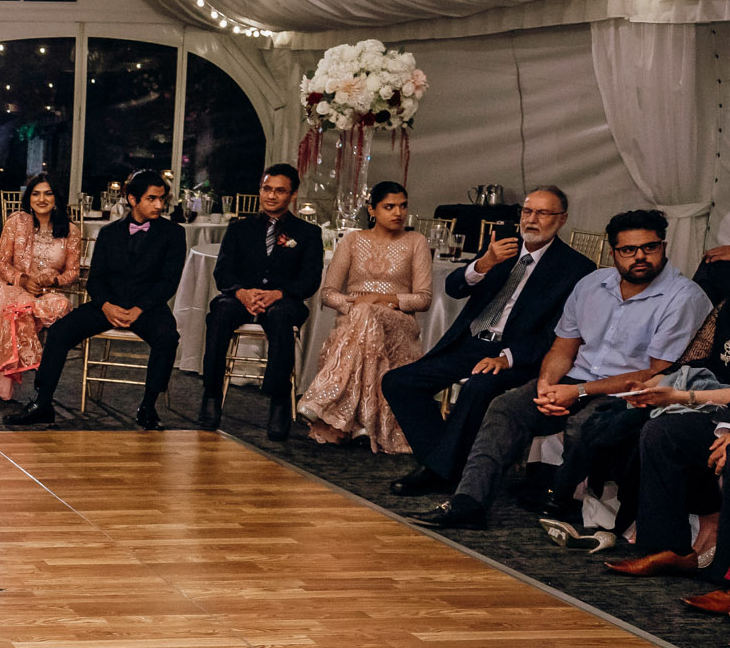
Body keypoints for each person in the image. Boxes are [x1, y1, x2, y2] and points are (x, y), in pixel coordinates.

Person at [407, 210, 712, 530]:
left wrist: (577, 391)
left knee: (584, 423)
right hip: (573, 380)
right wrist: (546, 385)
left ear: (663, 246)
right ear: (613, 252)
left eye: (649, 248)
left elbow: (655, 373)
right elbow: (562, 348)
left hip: (630, 392)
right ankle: (468, 501)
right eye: (628, 250)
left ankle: (560, 499)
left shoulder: (683, 297)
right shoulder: (592, 284)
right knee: (506, 406)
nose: (640, 257)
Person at [384, 186, 595, 498]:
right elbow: (454, 288)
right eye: (527, 212)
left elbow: (557, 333)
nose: (532, 220)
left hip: (517, 355)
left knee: (478, 386)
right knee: (398, 382)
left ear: (561, 219)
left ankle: (437, 471)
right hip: (471, 342)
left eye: (542, 213)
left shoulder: (576, 268)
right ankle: (444, 465)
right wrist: (483, 263)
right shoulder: (501, 247)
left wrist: (508, 357)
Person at [6, 169, 184, 430]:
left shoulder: (173, 233)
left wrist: (139, 308)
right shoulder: (110, 232)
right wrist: (106, 306)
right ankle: (43, 402)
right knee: (59, 333)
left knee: (168, 338)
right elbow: (95, 280)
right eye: (151, 198)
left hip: (147, 307)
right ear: (133, 199)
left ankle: (149, 406)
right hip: (107, 305)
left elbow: (168, 282)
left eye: (161, 199)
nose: (158, 205)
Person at [297, 181, 432, 451]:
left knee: (368, 313)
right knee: (365, 316)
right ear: (372, 210)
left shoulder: (416, 242)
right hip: (357, 320)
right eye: (389, 207)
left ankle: (322, 400)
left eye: (403, 206)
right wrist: (358, 306)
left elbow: (423, 299)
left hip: (398, 323)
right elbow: (328, 293)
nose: (398, 213)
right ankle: (360, 423)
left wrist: (383, 300)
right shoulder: (353, 240)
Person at [599, 301, 730, 577]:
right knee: (663, 433)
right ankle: (666, 549)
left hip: (722, 413)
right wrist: (654, 385)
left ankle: (723, 575)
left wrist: (681, 397)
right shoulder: (726, 308)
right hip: (719, 409)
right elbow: (693, 363)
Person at [198, 163, 324, 440]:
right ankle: (210, 393)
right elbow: (223, 271)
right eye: (267, 189)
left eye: (280, 191)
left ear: (292, 195)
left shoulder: (307, 233)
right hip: (241, 297)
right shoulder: (239, 228)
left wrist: (279, 293)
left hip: (284, 300)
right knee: (219, 312)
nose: (271, 196)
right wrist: (241, 292)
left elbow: (310, 280)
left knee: (280, 317)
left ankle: (278, 399)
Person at [0, 172, 81, 400]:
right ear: (28, 198)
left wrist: (55, 280)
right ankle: (11, 374)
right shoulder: (16, 223)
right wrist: (23, 280)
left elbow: (73, 272)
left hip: (48, 294)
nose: (41, 199)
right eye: (36, 194)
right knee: (13, 311)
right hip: (16, 288)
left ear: (56, 198)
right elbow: (2, 264)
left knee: (59, 306)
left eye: (48, 194)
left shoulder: (71, 231)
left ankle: (31, 365)